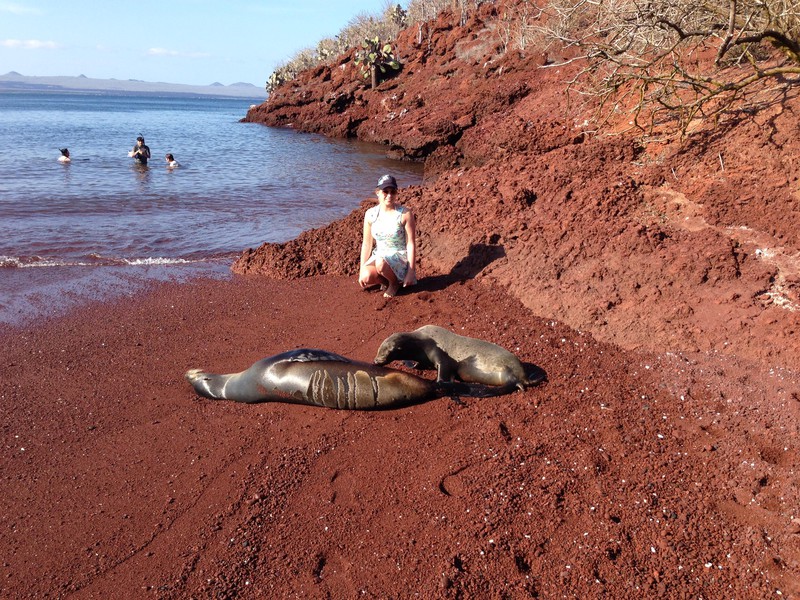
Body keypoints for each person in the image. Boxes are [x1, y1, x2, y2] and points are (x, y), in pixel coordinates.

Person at [358, 174, 417, 298]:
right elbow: (367, 243)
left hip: (399, 257)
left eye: (393, 191)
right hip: (380, 255)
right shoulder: (370, 214)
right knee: (366, 275)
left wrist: (411, 272)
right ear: (378, 192)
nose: (389, 195)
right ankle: (387, 281)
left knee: (380, 263)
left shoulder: (405, 214)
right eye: (385, 191)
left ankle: (394, 284)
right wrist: (361, 269)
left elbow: (410, 243)